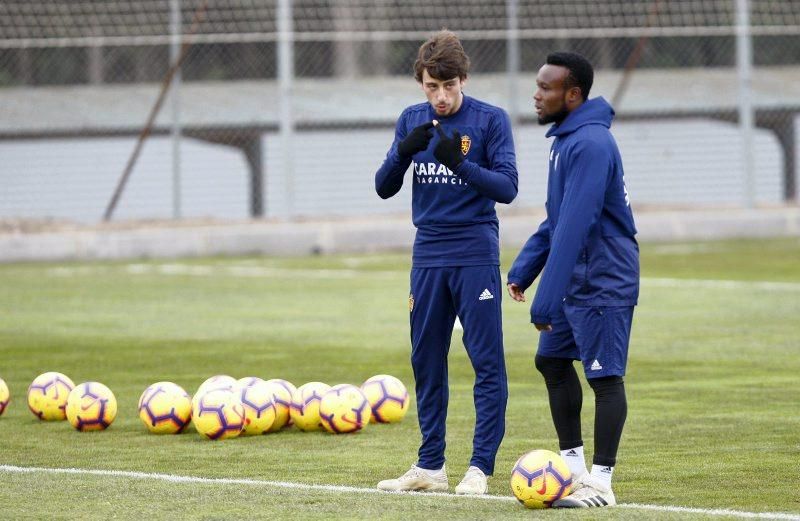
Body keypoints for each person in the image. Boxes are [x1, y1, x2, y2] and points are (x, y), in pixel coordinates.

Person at [374, 30, 518, 495]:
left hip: (475, 251)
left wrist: (457, 163)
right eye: (431, 87)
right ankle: (430, 466)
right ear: (421, 82)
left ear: (464, 79)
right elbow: (383, 186)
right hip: (428, 254)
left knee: (486, 361)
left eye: (448, 86)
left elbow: (507, 188)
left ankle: (479, 468)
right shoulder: (411, 120)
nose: (440, 96)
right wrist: (402, 151)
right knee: (426, 360)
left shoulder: (490, 120)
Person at [507, 51, 639, 508]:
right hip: (575, 275)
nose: (536, 94)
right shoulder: (565, 141)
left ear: (573, 94)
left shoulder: (590, 144)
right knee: (552, 361)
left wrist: (545, 298)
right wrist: (526, 268)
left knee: (605, 378)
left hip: (603, 277)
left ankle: (601, 480)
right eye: (538, 85)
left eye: (546, 87)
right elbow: (556, 219)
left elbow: (577, 225)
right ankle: (574, 469)